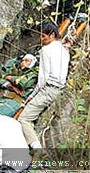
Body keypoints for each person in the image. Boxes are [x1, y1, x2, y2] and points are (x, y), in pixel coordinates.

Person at [18, 20, 70, 150]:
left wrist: (33, 95)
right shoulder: (64, 50)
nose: (41, 39)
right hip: (60, 90)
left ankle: (37, 149)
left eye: (43, 36)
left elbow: (43, 78)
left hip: (48, 90)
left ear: (52, 35)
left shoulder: (45, 50)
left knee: (24, 118)